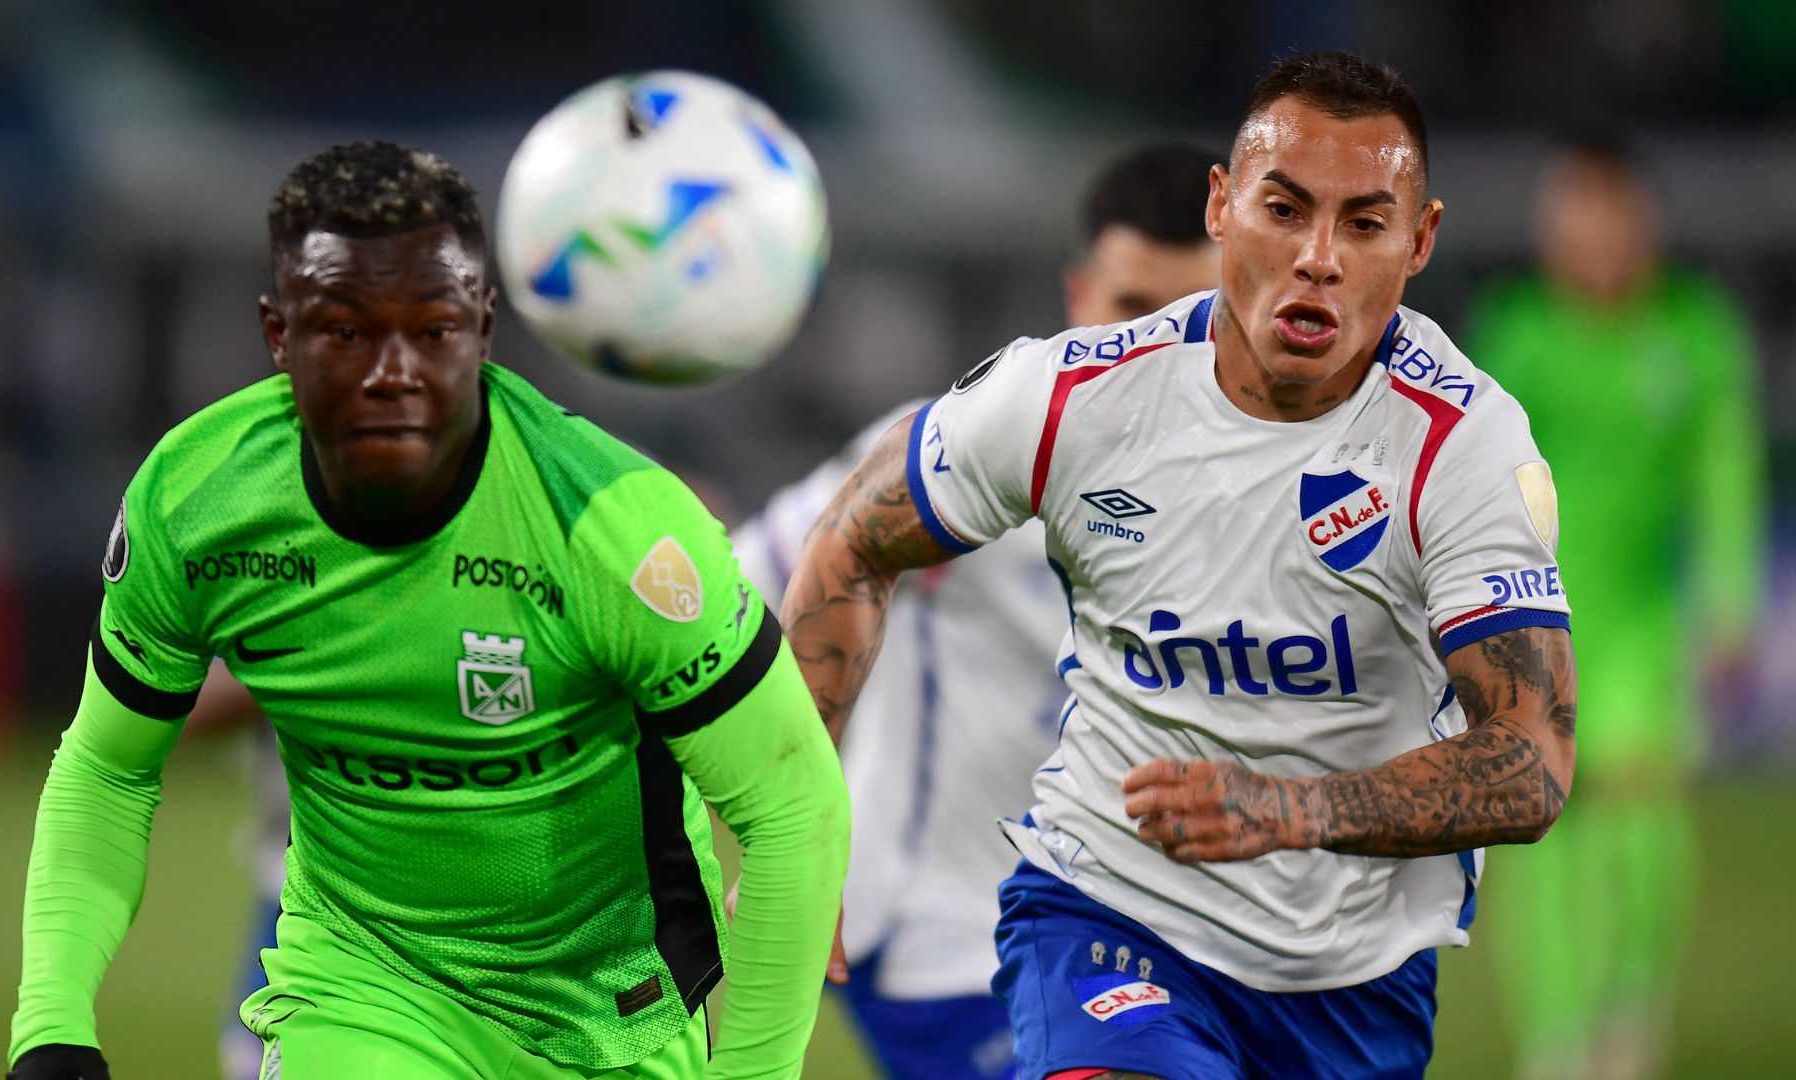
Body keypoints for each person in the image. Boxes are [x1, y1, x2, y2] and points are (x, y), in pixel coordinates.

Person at [782, 51, 1579, 1080]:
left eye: (1365, 224)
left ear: (1420, 240)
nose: (1319, 257)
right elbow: (851, 540)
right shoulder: (1072, 397)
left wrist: (1292, 810)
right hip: (1108, 908)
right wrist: (795, 825)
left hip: (1351, 985)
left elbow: (1532, 759)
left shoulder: (1459, 448)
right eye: (1284, 209)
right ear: (1221, 208)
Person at [4, 140, 848, 1080]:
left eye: (433, 330)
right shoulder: (197, 503)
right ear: (279, 334)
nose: (391, 371)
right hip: (363, 991)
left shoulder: (615, 529)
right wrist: (52, 1018)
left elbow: (791, 805)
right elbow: (109, 769)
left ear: (483, 327)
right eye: (346, 331)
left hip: (615, 1016)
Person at [732, 143, 1221, 1080]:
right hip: (943, 938)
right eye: (1131, 312)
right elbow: (748, 586)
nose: (1158, 352)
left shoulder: (1258, 493)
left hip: (1133, 927)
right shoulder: (961, 448)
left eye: (1191, 319)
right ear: (1079, 298)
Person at [1468, 132, 1768, 1080]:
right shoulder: (1520, 337)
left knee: (1641, 824)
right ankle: (1558, 1042)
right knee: (1546, 832)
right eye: (1571, 215)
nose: (1591, 237)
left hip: (1642, 627)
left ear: (1644, 220)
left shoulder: (1693, 335)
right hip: (1532, 627)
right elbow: (1467, 482)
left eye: (1608, 213)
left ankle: (1628, 1012)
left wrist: (1730, 603)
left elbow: (1727, 472)